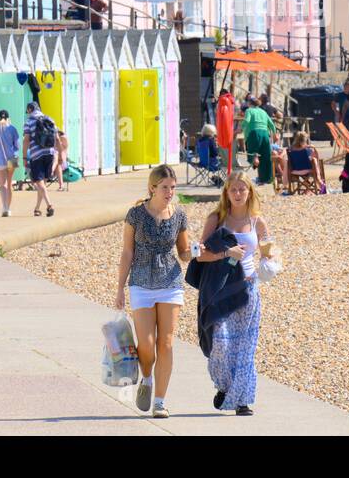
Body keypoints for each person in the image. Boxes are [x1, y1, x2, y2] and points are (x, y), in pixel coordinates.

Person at [115, 164, 191, 419]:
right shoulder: (135, 214)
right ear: (152, 188)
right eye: (164, 188)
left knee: (166, 343)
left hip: (170, 282)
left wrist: (195, 253)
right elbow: (127, 252)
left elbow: (183, 252)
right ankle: (146, 378)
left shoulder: (179, 215)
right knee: (146, 347)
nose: (169, 192)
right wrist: (119, 288)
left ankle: (160, 401)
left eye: (172, 187)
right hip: (141, 282)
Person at [198, 172, 269, 416]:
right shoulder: (217, 219)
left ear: (249, 191)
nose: (238, 194)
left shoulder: (257, 221)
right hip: (221, 289)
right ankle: (224, 386)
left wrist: (273, 261)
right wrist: (226, 253)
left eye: (242, 189)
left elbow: (269, 248)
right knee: (220, 344)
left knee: (245, 346)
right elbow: (199, 253)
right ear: (226, 193)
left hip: (248, 288)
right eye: (233, 190)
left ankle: (242, 400)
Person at [22, 101, 58, 217]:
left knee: (39, 182)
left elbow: (26, 140)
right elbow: (56, 136)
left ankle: (49, 205)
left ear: (30, 110)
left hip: (36, 155)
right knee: (43, 183)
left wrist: (24, 157)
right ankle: (37, 208)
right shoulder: (50, 119)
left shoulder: (29, 122)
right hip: (50, 153)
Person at [0, 110, 20, 216]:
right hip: (12, 158)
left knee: (2, 184)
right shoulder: (12, 128)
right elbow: (17, 145)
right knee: (10, 183)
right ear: (8, 118)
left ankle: (4, 207)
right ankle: (8, 208)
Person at [240, 97, 276, 185]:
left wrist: (240, 128)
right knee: (266, 157)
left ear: (249, 103)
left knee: (252, 153)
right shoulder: (263, 112)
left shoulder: (249, 110)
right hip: (265, 134)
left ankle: (255, 159)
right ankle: (266, 179)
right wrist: (274, 134)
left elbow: (246, 121)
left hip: (254, 133)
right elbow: (271, 124)